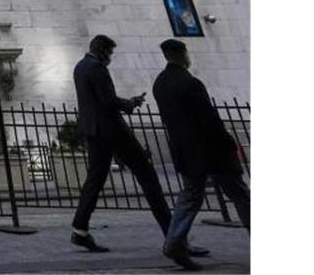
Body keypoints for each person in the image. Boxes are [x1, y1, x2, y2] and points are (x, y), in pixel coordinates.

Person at [69, 35, 200, 256]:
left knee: (94, 181)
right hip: (113, 131)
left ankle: (79, 230)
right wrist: (130, 103)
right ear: (102, 50)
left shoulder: (80, 67)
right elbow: (108, 101)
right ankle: (174, 236)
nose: (110, 58)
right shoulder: (97, 68)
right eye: (109, 53)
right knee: (148, 177)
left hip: (93, 131)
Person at [153, 39, 249, 271]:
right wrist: (227, 142)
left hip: (184, 150)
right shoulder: (190, 83)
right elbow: (208, 118)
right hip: (210, 150)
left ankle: (174, 242)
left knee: (190, 196)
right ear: (182, 54)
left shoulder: (160, 83)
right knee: (241, 195)